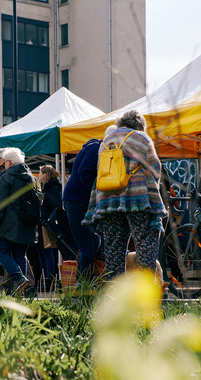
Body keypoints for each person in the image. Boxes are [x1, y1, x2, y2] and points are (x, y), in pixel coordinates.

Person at [83, 110, 167, 280]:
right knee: (145, 243)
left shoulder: (107, 140)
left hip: (108, 200)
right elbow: (155, 167)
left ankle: (115, 293)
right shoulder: (141, 138)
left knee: (114, 249)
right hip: (137, 199)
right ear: (139, 125)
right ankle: (147, 291)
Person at [0, 148, 40, 295]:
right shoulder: (31, 177)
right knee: (19, 254)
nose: (3, 165)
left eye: (4, 162)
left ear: (9, 162)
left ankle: (19, 279)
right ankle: (20, 291)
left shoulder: (7, 177)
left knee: (0, 250)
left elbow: (0, 204)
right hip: (27, 224)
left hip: (8, 224)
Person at [63, 135, 102, 282]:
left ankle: (84, 284)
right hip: (78, 199)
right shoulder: (96, 147)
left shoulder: (91, 147)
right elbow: (85, 172)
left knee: (89, 242)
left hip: (75, 198)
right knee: (90, 243)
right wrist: (94, 194)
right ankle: (83, 285)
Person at [38, 164, 61, 289]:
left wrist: (44, 197)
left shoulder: (53, 188)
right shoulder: (48, 187)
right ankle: (48, 278)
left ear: (46, 174)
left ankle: (50, 279)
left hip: (47, 225)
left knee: (47, 251)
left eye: (41, 173)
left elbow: (56, 204)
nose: (39, 175)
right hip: (43, 224)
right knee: (44, 251)